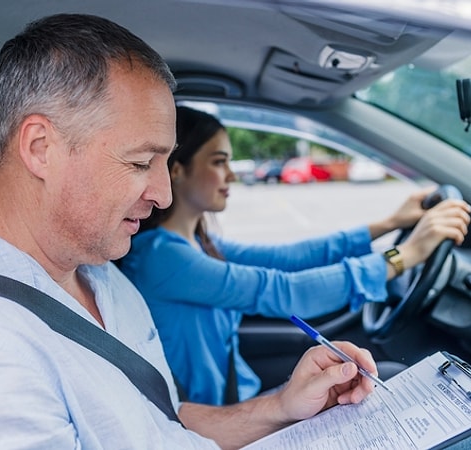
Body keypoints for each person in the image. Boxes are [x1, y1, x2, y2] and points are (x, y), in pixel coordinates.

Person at [0, 13, 448, 450]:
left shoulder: (96, 276)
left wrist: (281, 407)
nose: (163, 194)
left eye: (165, 162)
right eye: (139, 161)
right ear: (41, 148)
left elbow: (161, 424)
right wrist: (400, 253)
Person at [118, 105, 471, 406]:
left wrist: (388, 224)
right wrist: (404, 256)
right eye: (218, 161)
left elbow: (288, 258)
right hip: (216, 420)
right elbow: (284, 291)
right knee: (396, 384)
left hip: (238, 396)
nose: (231, 174)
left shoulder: (197, 244)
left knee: (388, 381)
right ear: (177, 171)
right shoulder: (162, 258)